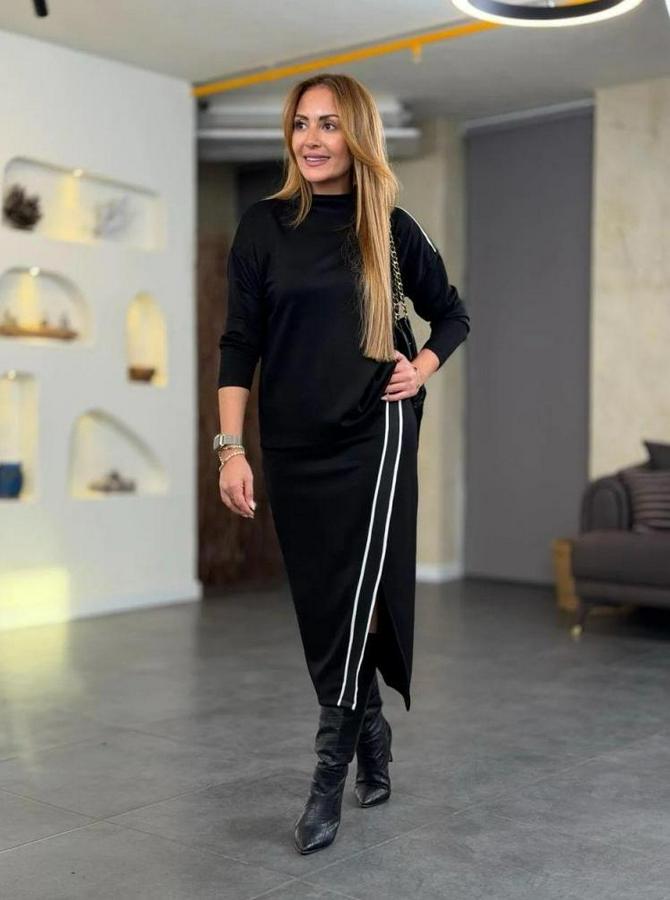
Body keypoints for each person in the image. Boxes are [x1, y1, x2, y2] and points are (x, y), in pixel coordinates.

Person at [216, 72, 470, 855]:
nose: (312, 139)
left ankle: (327, 777)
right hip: (293, 441)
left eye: (328, 124)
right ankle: (372, 730)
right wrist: (230, 448)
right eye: (301, 124)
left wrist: (420, 367)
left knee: (358, 591)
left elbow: (451, 314)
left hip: (375, 431)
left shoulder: (389, 226)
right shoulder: (263, 226)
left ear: (356, 135)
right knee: (324, 603)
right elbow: (239, 343)